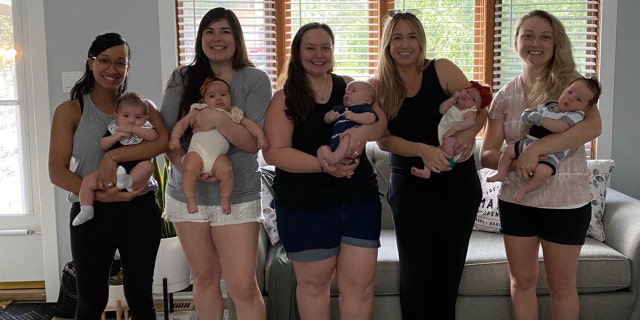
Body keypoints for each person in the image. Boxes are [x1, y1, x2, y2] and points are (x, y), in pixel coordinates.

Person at [480, 10, 602, 320]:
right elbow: (488, 152)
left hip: (567, 204)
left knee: (562, 288)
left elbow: (592, 129)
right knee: (522, 283)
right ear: (516, 42)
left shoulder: (574, 87)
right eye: (528, 36)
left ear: (556, 42)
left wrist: (538, 150)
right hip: (517, 203)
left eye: (545, 36)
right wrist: (520, 158)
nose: (536, 43)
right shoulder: (505, 95)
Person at [262, 22, 386, 320]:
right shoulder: (285, 97)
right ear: (297, 53)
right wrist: (324, 165)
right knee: (314, 287)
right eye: (310, 48)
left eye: (325, 47)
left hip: (359, 202)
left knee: (360, 287)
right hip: (305, 207)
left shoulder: (349, 87)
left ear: (333, 52)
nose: (319, 54)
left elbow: (380, 122)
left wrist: (362, 134)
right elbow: (274, 152)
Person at [371, 12, 487, 319]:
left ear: (421, 41)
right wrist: (422, 149)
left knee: (447, 276)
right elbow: (383, 140)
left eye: (412, 36)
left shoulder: (442, 69)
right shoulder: (379, 84)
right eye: (397, 37)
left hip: (457, 185)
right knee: (415, 275)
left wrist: (469, 133)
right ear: (387, 43)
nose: (405, 44)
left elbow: (480, 109)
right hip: (409, 187)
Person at [48, 32, 169, 319]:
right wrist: (100, 195)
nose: (112, 69)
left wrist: (114, 156)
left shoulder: (142, 107)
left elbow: (162, 141)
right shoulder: (71, 110)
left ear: (128, 68)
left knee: (141, 298)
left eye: (120, 63)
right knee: (90, 302)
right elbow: (57, 170)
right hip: (91, 212)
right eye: (104, 61)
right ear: (91, 63)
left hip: (138, 210)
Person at [159, 7, 269, 320]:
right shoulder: (182, 78)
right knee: (204, 279)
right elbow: (169, 138)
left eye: (224, 31)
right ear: (200, 38)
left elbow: (251, 143)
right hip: (187, 195)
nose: (216, 39)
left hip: (238, 195)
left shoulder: (256, 80)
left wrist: (216, 119)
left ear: (237, 38)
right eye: (209, 31)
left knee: (242, 286)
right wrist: (187, 167)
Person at [486, 77, 601, 202]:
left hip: (553, 157)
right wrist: (527, 115)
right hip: (529, 141)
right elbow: (486, 154)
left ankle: (526, 189)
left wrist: (539, 122)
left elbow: (560, 127)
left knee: (543, 172)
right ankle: (501, 174)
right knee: (508, 151)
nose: (571, 98)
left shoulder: (575, 115)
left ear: (586, 107)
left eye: (578, 99)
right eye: (569, 92)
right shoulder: (549, 105)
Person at [169, 77, 268, 214]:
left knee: (227, 170)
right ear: (204, 100)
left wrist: (260, 136)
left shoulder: (233, 113)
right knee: (189, 167)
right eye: (212, 96)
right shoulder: (198, 110)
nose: (219, 98)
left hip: (217, 158)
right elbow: (182, 124)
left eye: (223, 95)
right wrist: (175, 137)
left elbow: (249, 124)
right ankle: (191, 199)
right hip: (197, 153)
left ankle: (225, 199)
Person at [74, 92, 158, 226]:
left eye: (138, 117)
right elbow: (103, 144)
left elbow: (153, 136)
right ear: (116, 116)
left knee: (148, 167)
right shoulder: (114, 129)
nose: (131, 120)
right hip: (110, 172)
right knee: (88, 180)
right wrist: (116, 136)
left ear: (145, 118)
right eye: (126, 116)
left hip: (135, 169)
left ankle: (128, 181)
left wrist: (135, 130)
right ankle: (86, 208)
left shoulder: (144, 128)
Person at [411, 80, 492, 178]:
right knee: (434, 153)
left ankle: (449, 161)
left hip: (458, 141)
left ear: (477, 108)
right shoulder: (454, 104)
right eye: (467, 91)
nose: (468, 96)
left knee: (446, 145)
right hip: (448, 138)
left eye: (473, 99)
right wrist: (453, 98)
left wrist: (454, 129)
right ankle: (426, 171)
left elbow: (471, 122)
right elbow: (441, 109)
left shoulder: (469, 111)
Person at [316, 80, 378, 166]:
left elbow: (371, 118)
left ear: (367, 101)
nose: (348, 93)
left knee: (347, 137)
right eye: (346, 91)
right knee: (323, 148)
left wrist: (354, 116)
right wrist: (329, 116)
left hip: (349, 141)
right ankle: (331, 158)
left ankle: (334, 158)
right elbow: (325, 118)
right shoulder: (341, 108)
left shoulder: (362, 108)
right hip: (335, 141)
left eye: (353, 91)